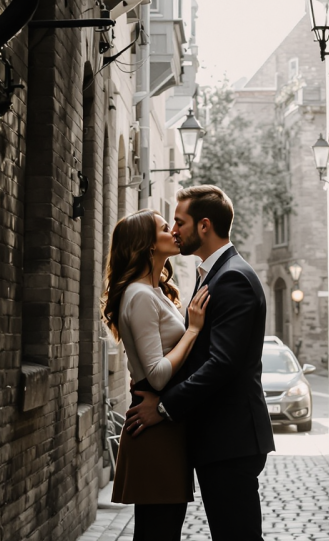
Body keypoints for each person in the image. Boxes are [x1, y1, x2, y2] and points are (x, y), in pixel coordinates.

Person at [126, 185, 274, 541]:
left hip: (230, 440)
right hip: (218, 440)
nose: (175, 230)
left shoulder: (232, 278)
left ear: (204, 225)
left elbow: (221, 364)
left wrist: (162, 408)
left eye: (180, 222)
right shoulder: (213, 274)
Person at [101, 209, 210, 541]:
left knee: (161, 527)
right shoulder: (140, 295)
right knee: (159, 530)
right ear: (148, 245)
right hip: (154, 427)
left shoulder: (156, 290)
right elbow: (159, 375)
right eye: (166, 228)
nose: (174, 232)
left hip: (163, 422)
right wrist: (192, 331)